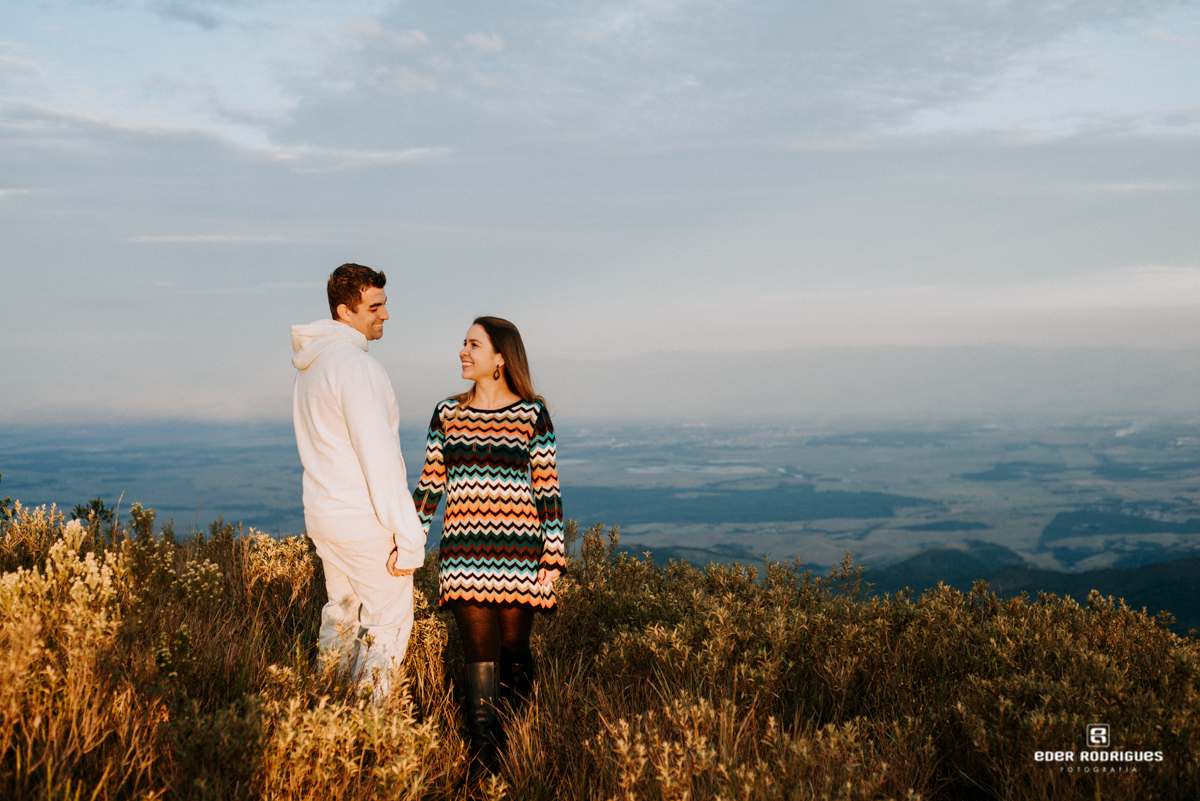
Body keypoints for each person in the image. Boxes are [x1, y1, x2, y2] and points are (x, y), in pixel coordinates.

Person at [413, 316, 565, 774]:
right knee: (479, 653)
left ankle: (518, 734)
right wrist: (409, 538)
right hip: (463, 555)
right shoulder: (446, 413)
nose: (463, 351)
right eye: (463, 343)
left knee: (514, 650)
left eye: (473, 345)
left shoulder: (532, 415)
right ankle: (485, 759)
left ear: (500, 358)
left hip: (522, 555)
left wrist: (553, 556)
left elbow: (548, 489)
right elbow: (429, 485)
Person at [291, 263, 426, 702]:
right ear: (345, 312)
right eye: (375, 306)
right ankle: (369, 730)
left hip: (325, 516)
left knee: (342, 615)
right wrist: (409, 538)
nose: (384, 314)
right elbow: (380, 459)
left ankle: (326, 708)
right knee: (388, 626)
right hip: (362, 520)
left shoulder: (313, 366)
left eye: (384, 304)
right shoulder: (356, 368)